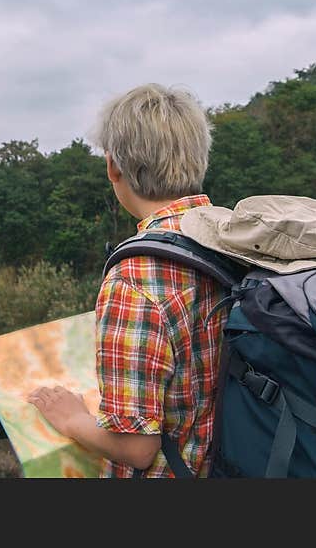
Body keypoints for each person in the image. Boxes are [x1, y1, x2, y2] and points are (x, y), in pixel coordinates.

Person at [27, 83, 226, 478]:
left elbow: (137, 449)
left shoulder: (135, 280)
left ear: (112, 166)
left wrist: (71, 420)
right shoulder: (235, 237)